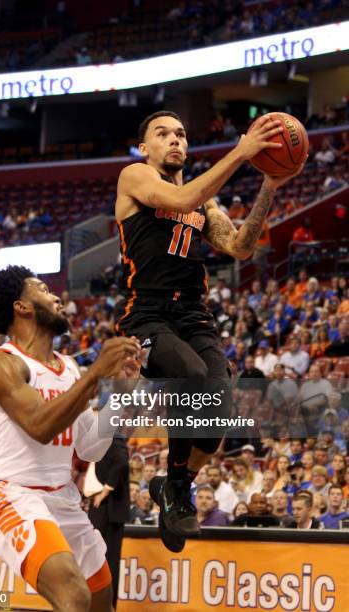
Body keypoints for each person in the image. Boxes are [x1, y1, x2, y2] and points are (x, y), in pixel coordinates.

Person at [114, 110, 300, 550]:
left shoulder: (204, 200)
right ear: (145, 147)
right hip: (149, 313)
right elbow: (177, 202)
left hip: (195, 315)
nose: (175, 140)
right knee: (193, 379)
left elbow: (239, 246)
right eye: (162, 134)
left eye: (181, 133)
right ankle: (177, 491)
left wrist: (268, 189)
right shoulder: (135, 176)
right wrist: (241, 152)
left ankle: (173, 483)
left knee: (219, 408)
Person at [0, 265, 142, 612]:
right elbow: (39, 425)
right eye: (42, 289)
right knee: (73, 595)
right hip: (10, 496)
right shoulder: (4, 365)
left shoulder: (67, 368)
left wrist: (122, 393)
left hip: (62, 500)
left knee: (100, 604)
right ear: (21, 306)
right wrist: (96, 374)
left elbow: (89, 448)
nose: (57, 297)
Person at [88, 436, 129, 608]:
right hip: (98, 506)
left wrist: (106, 490)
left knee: (107, 559)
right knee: (94, 558)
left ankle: (107, 606)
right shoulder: (96, 441)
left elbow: (121, 463)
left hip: (108, 507)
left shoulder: (115, 439)